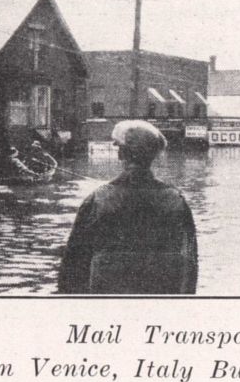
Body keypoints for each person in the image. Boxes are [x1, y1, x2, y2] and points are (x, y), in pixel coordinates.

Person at [58, 120, 198, 294]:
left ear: (121, 154)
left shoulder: (98, 200)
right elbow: (189, 263)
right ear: (153, 156)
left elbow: (73, 266)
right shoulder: (176, 200)